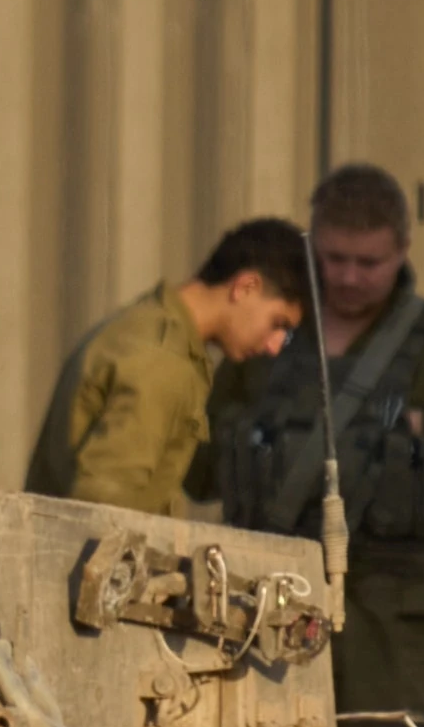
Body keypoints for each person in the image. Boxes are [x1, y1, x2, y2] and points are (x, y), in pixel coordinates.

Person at [207, 161, 424, 721]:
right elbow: (198, 461)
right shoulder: (272, 336)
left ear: (404, 249)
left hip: (385, 625)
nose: (350, 277)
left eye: (369, 262)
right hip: (264, 606)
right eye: (335, 259)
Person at [24, 221, 312, 516]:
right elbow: (104, 510)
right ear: (246, 287)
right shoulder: (163, 360)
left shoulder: (146, 328)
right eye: (278, 324)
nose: (274, 346)